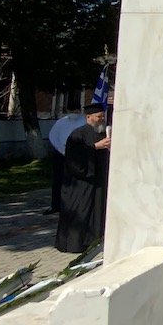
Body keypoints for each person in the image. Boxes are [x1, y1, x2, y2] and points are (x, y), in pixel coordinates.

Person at [55, 101, 111, 253]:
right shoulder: (77, 135)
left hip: (98, 181)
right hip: (80, 184)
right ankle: (74, 244)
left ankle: (93, 242)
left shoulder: (102, 133)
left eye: (102, 116)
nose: (101, 119)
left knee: (97, 213)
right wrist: (95, 147)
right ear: (89, 117)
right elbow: (74, 158)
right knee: (80, 213)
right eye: (98, 117)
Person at [46, 104, 86, 215]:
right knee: (58, 179)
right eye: (72, 110)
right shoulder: (61, 122)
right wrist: (61, 149)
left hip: (77, 155)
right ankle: (56, 205)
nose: (74, 113)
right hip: (61, 154)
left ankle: (75, 204)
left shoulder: (83, 121)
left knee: (77, 180)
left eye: (76, 110)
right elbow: (53, 136)